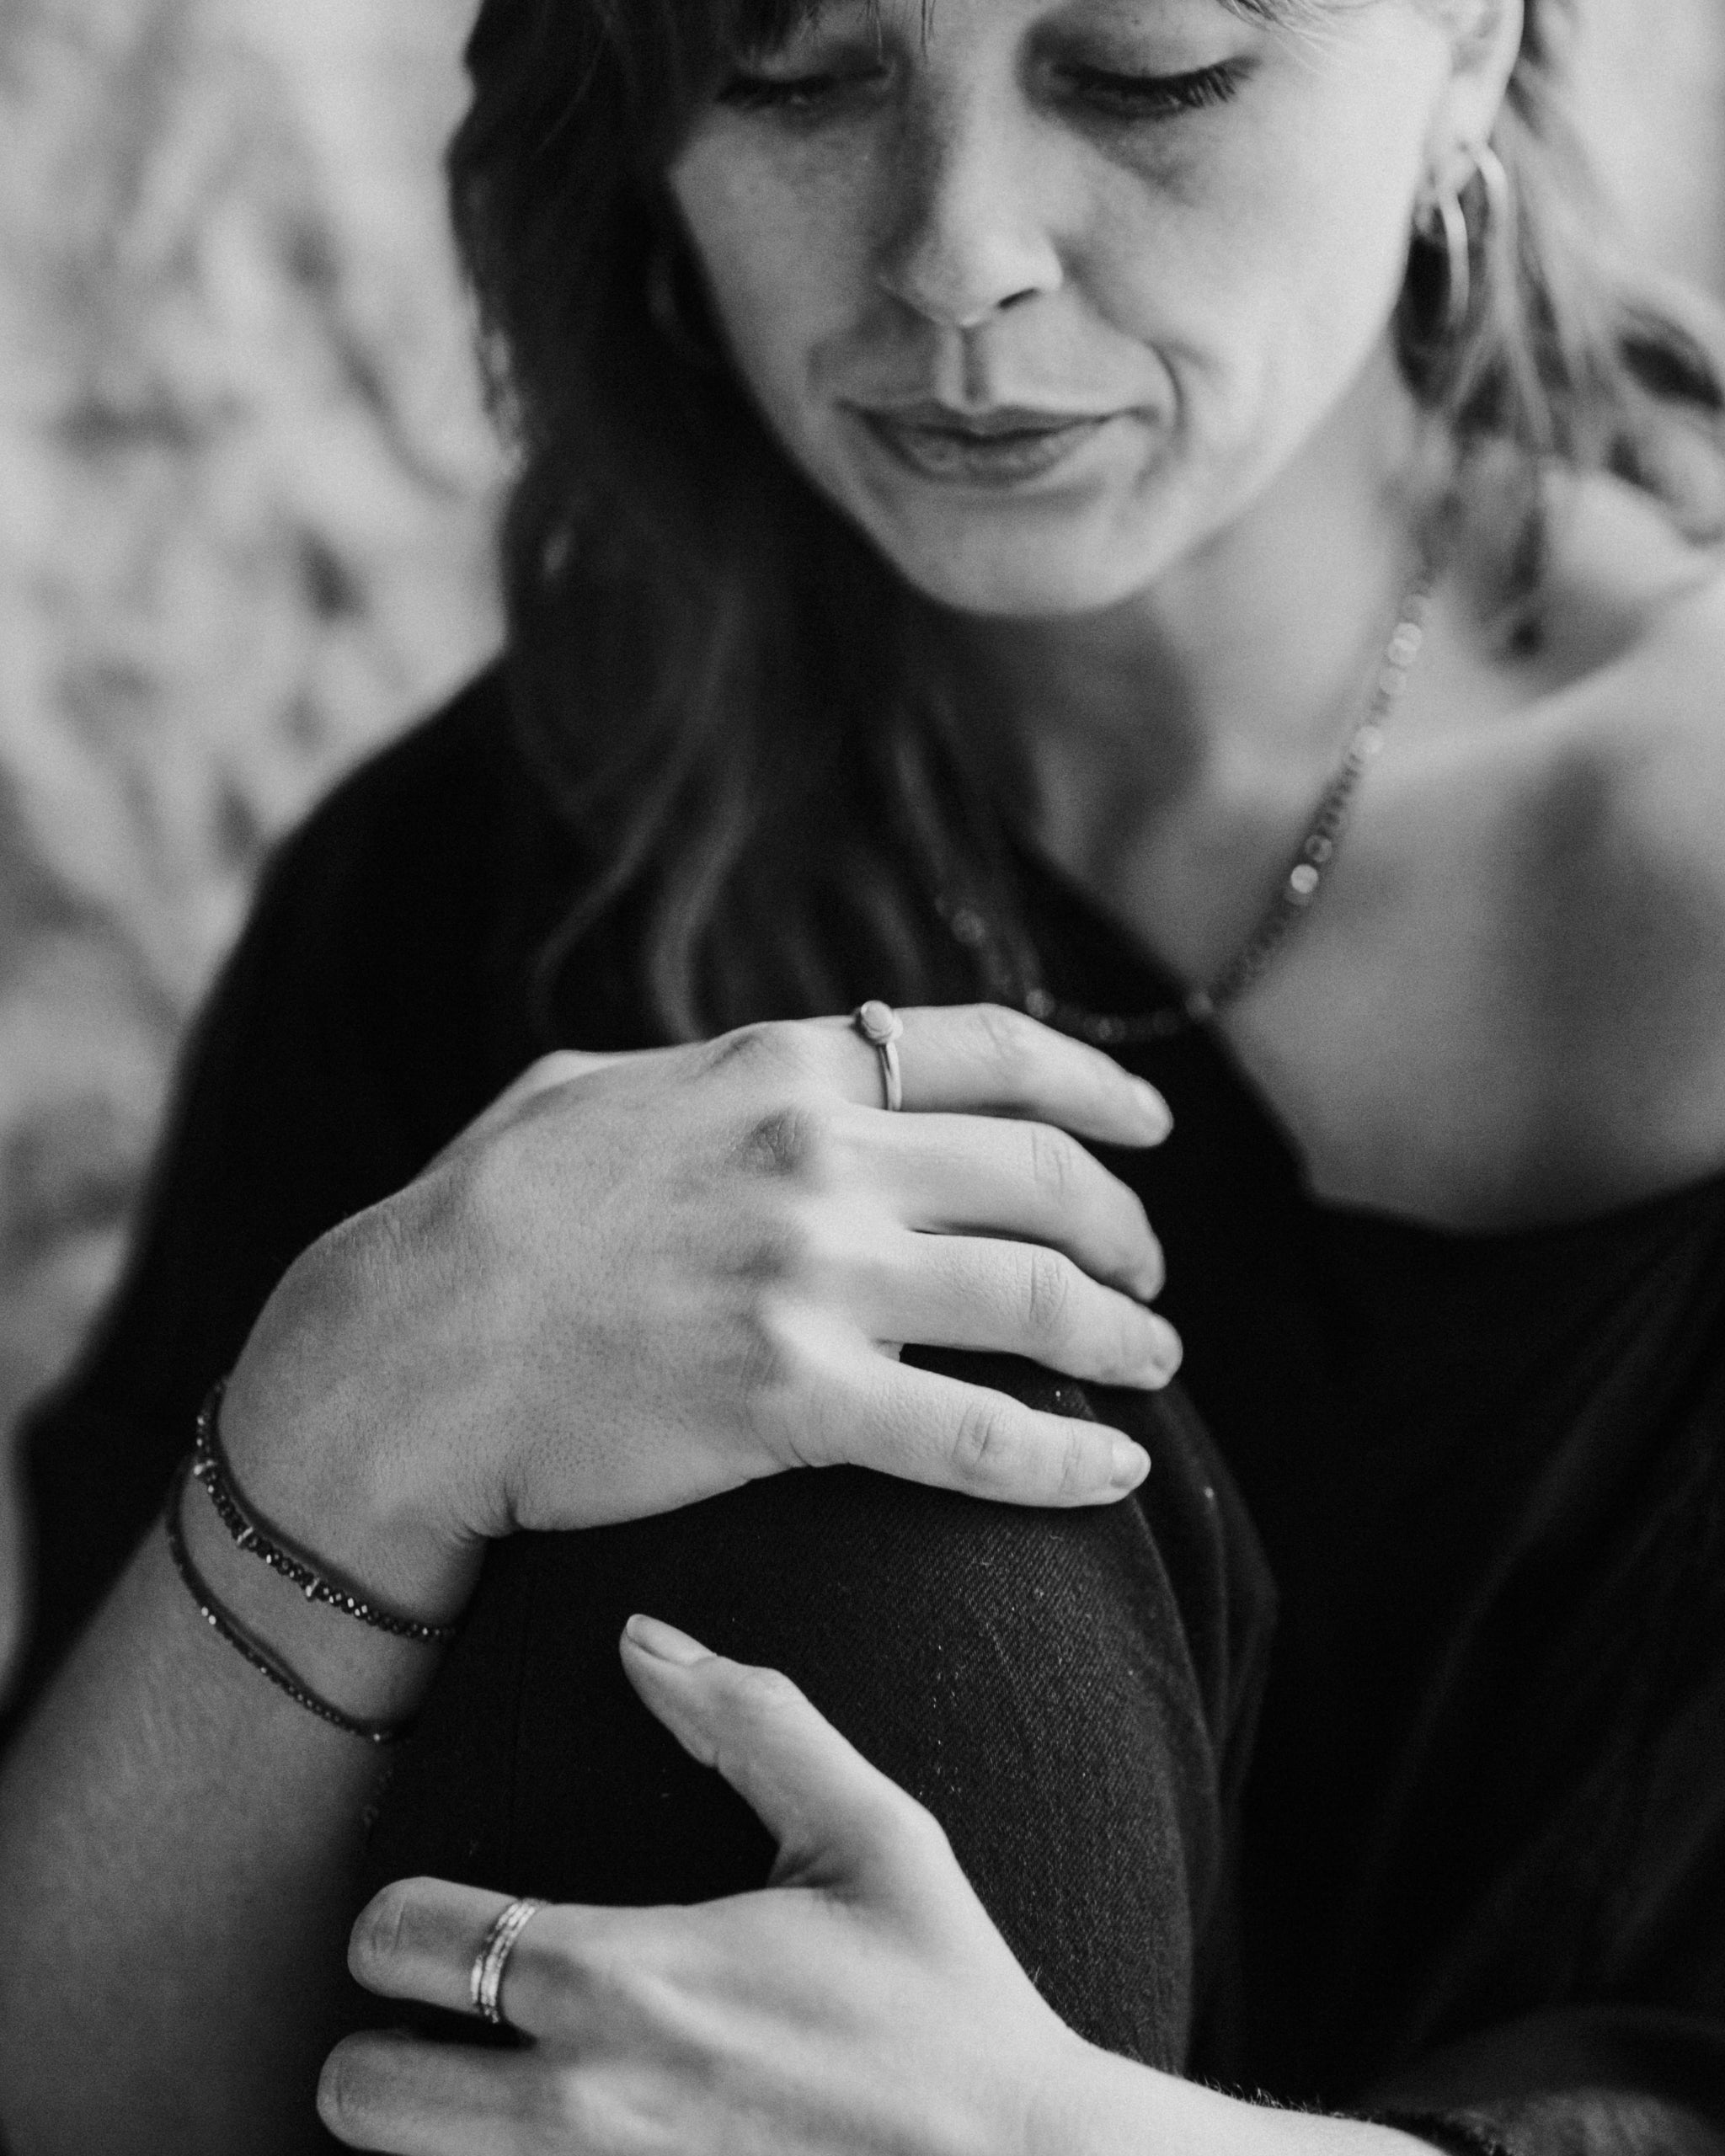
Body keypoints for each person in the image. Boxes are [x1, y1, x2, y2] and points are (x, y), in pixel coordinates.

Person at [3, 0, 1725, 2148]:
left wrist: (1071, 2136)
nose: (955, 257)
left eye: (1150, 71)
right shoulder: (497, 882)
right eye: (791, 75)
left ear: (1468, 44)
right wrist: (363, 1392)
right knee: (815, 1466)